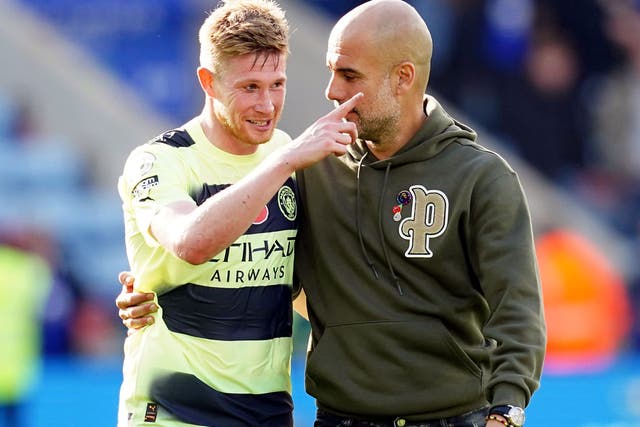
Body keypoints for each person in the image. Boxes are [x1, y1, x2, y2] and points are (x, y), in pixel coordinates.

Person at [118, 1, 547, 426]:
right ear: (209, 83)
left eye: (348, 75)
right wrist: (153, 289)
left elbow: (517, 311)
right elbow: (211, 248)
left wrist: (505, 412)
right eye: (250, 87)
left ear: (403, 78)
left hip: (422, 416)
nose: (331, 91)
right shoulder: (302, 165)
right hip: (215, 412)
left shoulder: (479, 176)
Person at [114, 0, 362, 426]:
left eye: (277, 84)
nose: (267, 105)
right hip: (174, 409)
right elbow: (190, 243)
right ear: (208, 82)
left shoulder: (286, 152)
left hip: (265, 410)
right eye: (250, 87)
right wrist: (282, 163)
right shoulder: (160, 161)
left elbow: (298, 283)